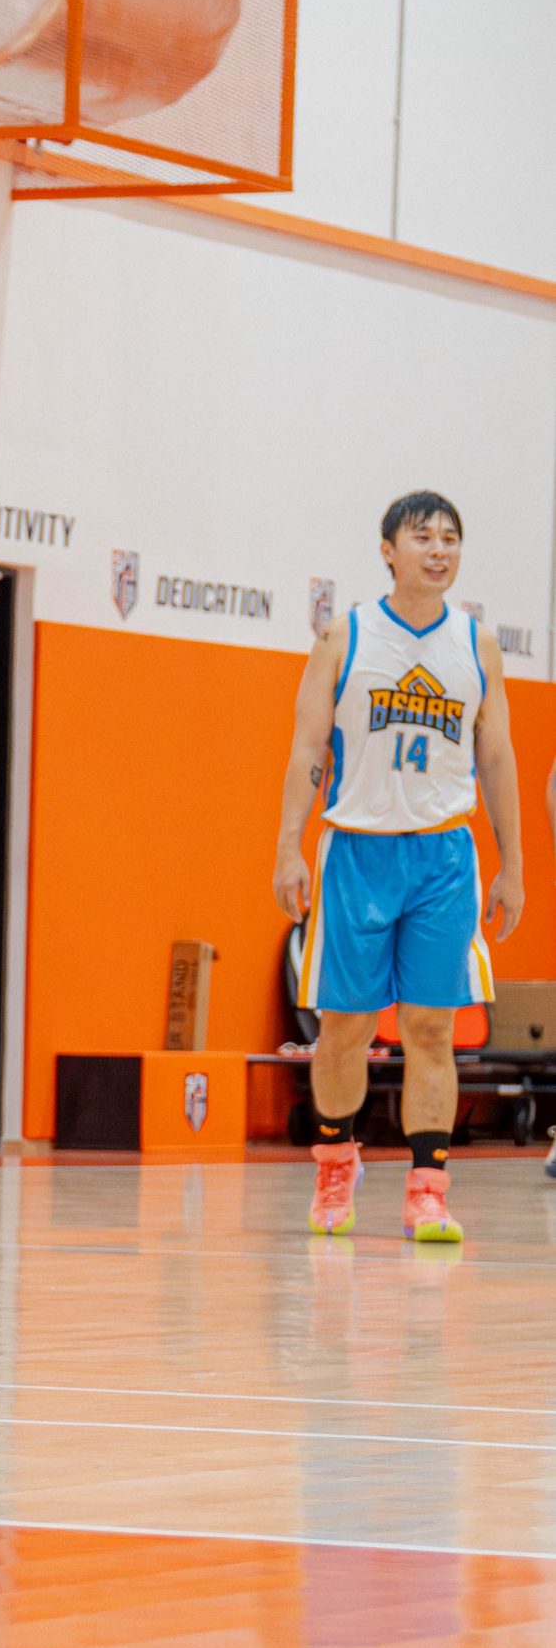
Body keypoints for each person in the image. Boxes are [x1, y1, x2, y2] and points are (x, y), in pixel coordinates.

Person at [273, 492, 523, 1245]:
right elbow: (306, 748)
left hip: (443, 855)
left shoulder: (477, 645)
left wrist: (512, 865)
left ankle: (427, 1190)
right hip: (357, 850)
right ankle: (335, 1164)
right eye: (423, 537)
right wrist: (288, 845)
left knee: (430, 1028)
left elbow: (497, 758)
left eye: (450, 538)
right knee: (345, 1030)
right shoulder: (344, 636)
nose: (438, 550)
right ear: (388, 550)